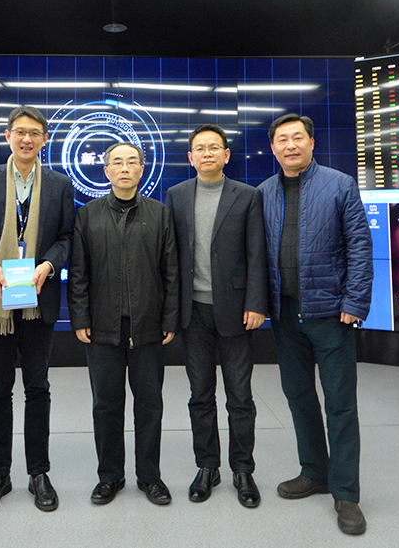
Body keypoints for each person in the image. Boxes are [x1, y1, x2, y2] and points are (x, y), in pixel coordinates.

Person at [257, 113, 373, 535]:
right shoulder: (264, 192)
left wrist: (355, 301)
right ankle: (315, 471)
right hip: (285, 314)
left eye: (297, 138)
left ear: (311, 142)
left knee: (340, 404)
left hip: (331, 314)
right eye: (282, 140)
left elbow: (359, 244)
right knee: (299, 396)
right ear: (273, 148)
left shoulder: (339, 185)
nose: (290, 145)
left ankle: (346, 493)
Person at [0, 106, 75, 514]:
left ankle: (38, 473)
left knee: (37, 388)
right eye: (20, 132)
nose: (27, 139)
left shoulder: (60, 184)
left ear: (44, 139)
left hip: (38, 300)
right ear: (8, 136)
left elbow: (66, 237)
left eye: (34, 133)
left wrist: (48, 265)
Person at [68, 142, 179, 507]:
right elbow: (79, 273)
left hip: (148, 328)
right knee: (106, 406)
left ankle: (150, 477)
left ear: (142, 169)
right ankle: (109, 477)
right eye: (117, 162)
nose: (125, 168)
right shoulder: (88, 215)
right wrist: (80, 317)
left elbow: (171, 272)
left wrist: (169, 318)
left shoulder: (160, 214)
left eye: (132, 162)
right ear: (107, 171)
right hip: (102, 329)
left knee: (149, 406)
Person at [165, 124, 267, 508]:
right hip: (193, 312)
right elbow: (171, 258)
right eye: (199, 148)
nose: (206, 153)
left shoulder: (248, 196)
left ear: (226, 155)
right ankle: (207, 466)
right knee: (200, 395)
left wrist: (256, 303)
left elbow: (257, 253)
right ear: (190, 157)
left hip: (237, 311)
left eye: (214, 147)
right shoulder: (176, 195)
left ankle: (243, 469)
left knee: (240, 397)